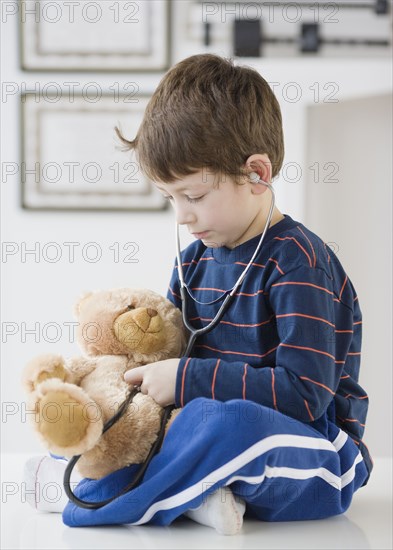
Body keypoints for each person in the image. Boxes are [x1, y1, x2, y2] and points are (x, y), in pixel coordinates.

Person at [24, 54, 372, 535]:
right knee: (128, 403)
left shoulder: (298, 262)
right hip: (210, 435)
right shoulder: (192, 263)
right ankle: (192, 496)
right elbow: (169, 358)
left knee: (224, 424)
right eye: (171, 199)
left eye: (194, 195)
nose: (182, 216)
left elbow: (304, 397)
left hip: (316, 455)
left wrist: (187, 379)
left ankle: (102, 496)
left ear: (257, 174)